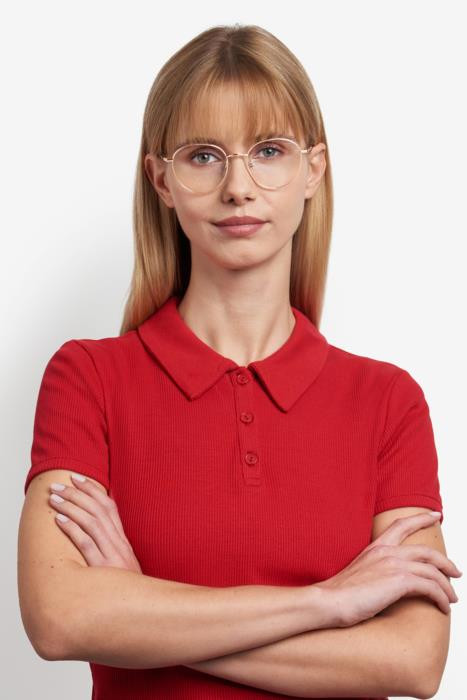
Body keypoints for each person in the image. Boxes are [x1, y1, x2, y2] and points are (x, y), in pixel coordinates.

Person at [18, 23, 461, 700]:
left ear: (313, 169)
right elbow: (60, 618)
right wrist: (329, 603)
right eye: (202, 156)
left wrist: (140, 607)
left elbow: (410, 661)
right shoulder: (88, 378)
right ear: (160, 180)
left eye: (269, 151)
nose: (237, 187)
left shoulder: (386, 399)